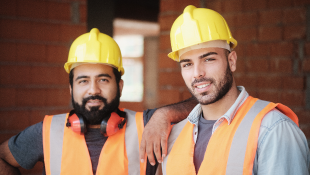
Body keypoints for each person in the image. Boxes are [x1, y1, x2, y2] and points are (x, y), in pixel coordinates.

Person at [0, 28, 196, 175]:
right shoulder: (46, 132)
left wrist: (165, 114)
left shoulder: (146, 125)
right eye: (83, 81)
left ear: (119, 86)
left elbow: (207, 101)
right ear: (71, 88)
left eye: (103, 80)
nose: (93, 90)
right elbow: (3, 158)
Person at [157, 5, 309, 175]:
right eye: (187, 64)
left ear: (232, 61)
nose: (197, 73)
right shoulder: (174, 136)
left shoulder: (272, 130)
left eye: (208, 59)